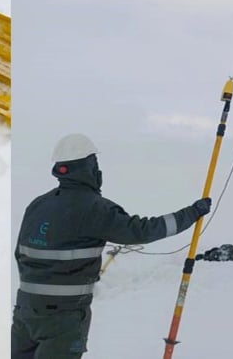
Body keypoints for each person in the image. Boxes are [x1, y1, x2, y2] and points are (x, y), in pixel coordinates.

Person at [11, 133, 212, 359]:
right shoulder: (95, 208)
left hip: (24, 312)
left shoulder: (37, 205)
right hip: (62, 318)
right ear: (88, 167)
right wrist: (192, 213)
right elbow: (142, 231)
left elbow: (20, 254)